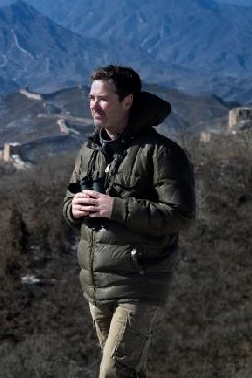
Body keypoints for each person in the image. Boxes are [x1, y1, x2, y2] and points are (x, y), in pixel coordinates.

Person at [62, 65, 196, 377]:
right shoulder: (90, 150)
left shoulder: (162, 153)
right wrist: (74, 208)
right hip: (96, 285)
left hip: (139, 282)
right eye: (91, 97)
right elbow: (67, 205)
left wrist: (116, 207)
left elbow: (180, 215)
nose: (94, 105)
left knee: (113, 373)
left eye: (104, 99)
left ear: (128, 101)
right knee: (128, 372)